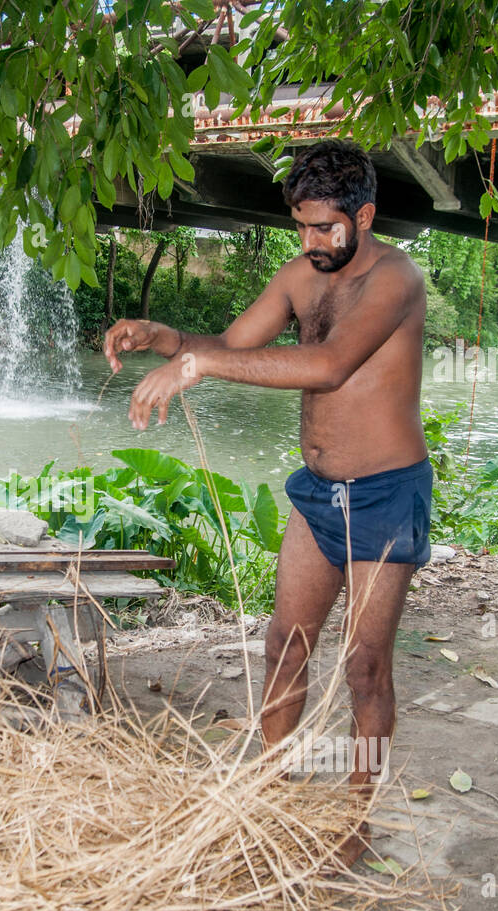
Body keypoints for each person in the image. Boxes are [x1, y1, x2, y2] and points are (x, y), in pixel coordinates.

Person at [102, 139, 430, 866]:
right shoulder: (298, 275)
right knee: (284, 643)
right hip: (318, 495)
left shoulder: (395, 280)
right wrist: (164, 338)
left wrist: (204, 362)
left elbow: (329, 364)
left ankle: (356, 819)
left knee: (367, 665)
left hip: (384, 493)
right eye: (301, 227)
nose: (310, 243)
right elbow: (225, 343)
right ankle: (272, 800)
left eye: (325, 229)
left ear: (364, 215)